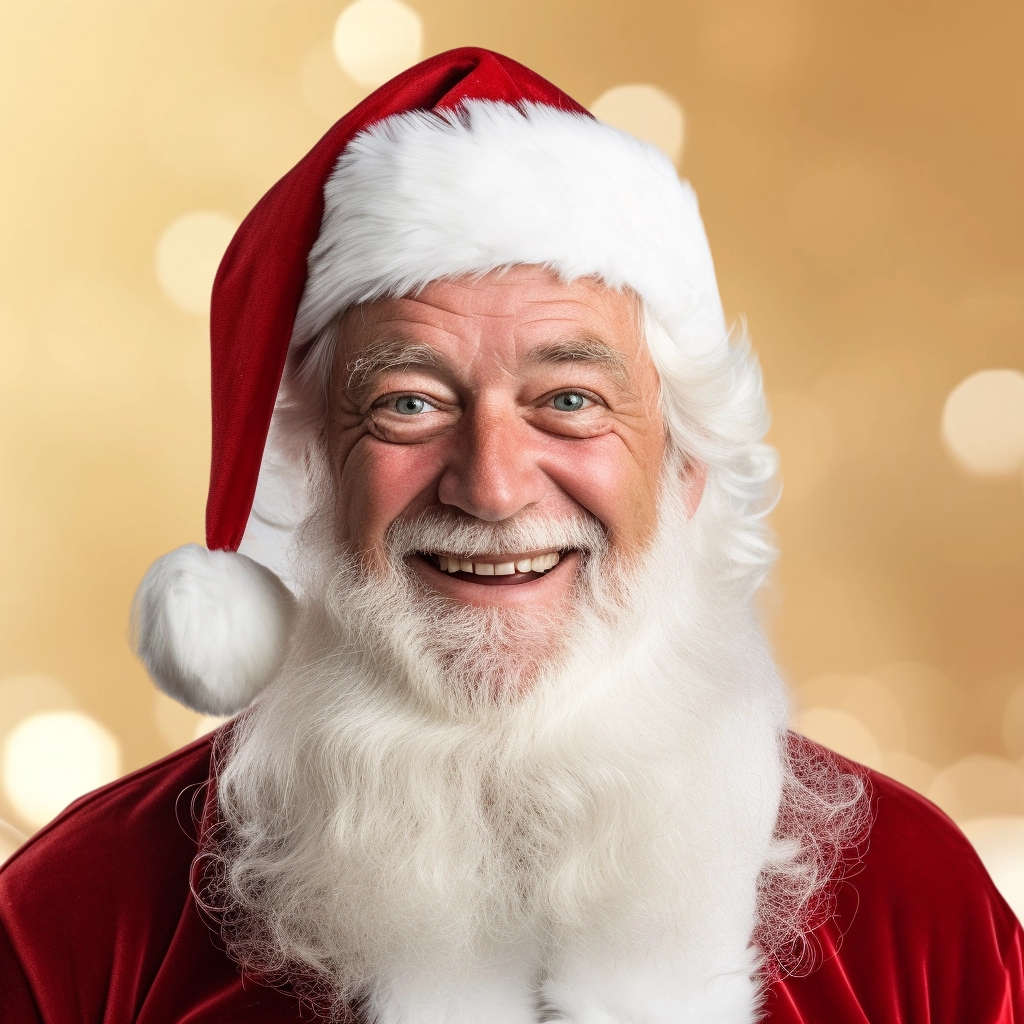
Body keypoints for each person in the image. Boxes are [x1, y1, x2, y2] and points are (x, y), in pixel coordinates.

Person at [1, 48, 1020, 1024]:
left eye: (570, 399)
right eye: (406, 404)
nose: (490, 487)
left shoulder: (915, 906)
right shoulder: (77, 922)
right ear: (309, 474)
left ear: (685, 463)